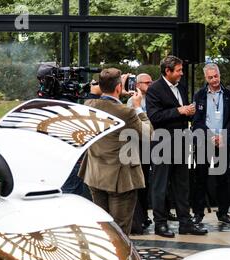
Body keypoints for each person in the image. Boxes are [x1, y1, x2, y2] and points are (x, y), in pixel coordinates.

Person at [79, 68, 153, 236]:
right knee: (119, 230)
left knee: (103, 227)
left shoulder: (89, 105)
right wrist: (138, 108)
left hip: (96, 175)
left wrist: (109, 85)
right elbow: (149, 134)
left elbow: (95, 92)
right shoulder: (126, 112)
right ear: (119, 87)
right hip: (120, 179)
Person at [146, 55, 207, 237]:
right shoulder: (154, 89)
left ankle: (185, 223)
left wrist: (189, 112)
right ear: (168, 71)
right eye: (178, 70)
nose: (181, 73)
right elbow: (155, 117)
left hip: (181, 140)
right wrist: (179, 110)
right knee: (160, 185)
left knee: (182, 185)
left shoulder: (181, 86)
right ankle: (160, 224)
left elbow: (181, 113)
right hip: (162, 142)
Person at [191, 63, 230, 225]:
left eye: (215, 76)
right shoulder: (199, 95)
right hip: (205, 141)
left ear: (219, 75)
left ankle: (223, 213)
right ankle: (198, 213)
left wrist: (223, 135)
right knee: (200, 178)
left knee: (222, 179)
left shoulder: (228, 95)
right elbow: (196, 121)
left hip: (223, 141)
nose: (214, 80)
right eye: (210, 77)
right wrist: (210, 136)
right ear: (206, 78)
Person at [127, 73, 154, 234]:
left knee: (148, 182)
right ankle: (140, 216)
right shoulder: (133, 101)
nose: (150, 84)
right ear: (138, 84)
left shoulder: (152, 98)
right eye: (147, 82)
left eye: (152, 82)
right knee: (141, 182)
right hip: (139, 145)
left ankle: (146, 215)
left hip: (153, 143)